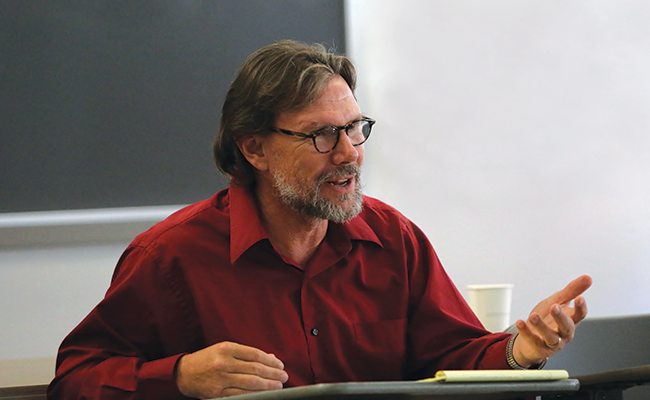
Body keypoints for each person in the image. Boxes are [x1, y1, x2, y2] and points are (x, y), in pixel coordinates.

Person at [47, 40, 592, 400]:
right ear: (255, 148)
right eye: (322, 134)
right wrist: (181, 377)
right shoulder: (171, 256)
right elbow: (75, 378)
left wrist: (522, 349)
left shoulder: (392, 239)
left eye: (356, 128)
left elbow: (452, 358)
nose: (350, 152)